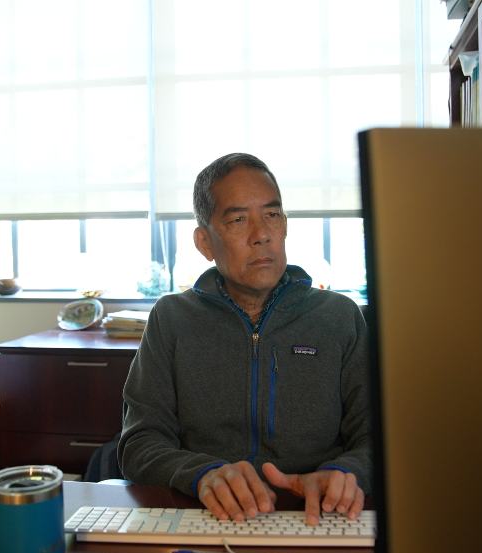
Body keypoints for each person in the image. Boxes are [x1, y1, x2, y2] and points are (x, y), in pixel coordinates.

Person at [117, 153, 371, 525]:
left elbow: (377, 437)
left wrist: (345, 472)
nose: (262, 235)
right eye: (238, 220)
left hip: (318, 516)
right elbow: (139, 445)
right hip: (205, 515)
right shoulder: (171, 319)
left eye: (272, 215)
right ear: (205, 242)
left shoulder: (339, 316)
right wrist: (202, 474)